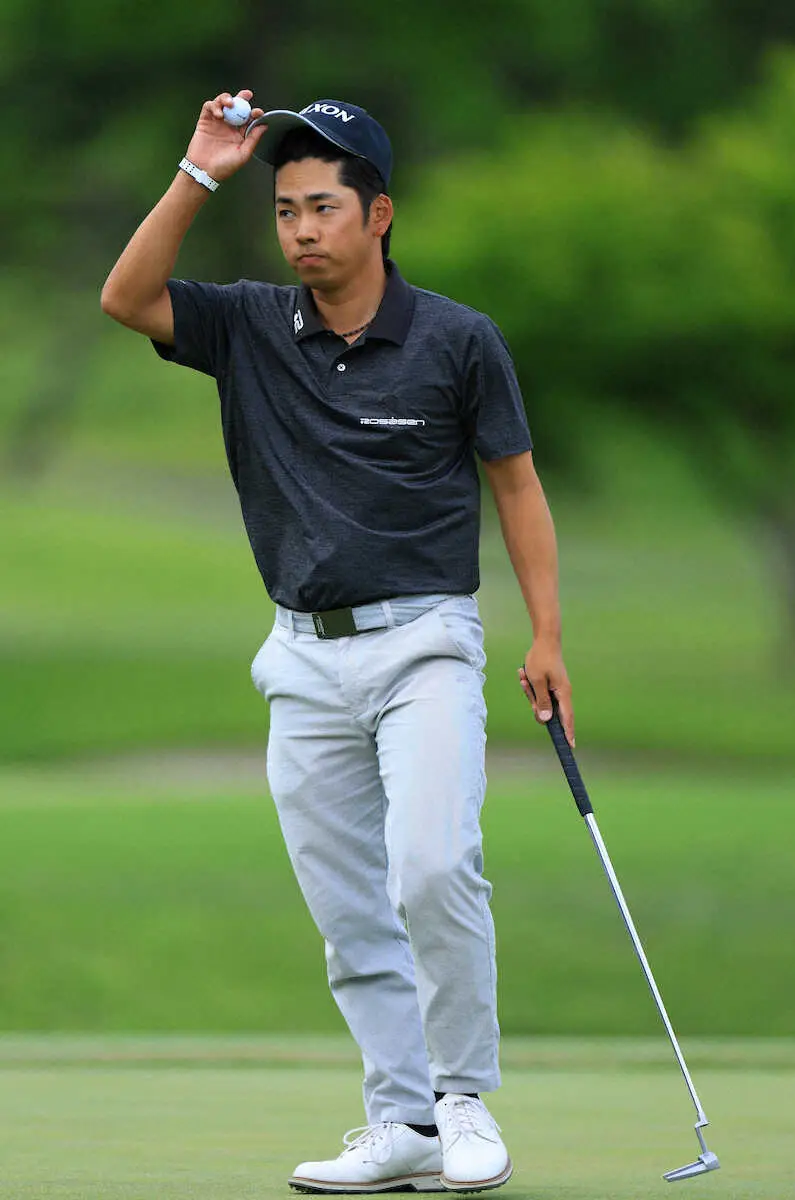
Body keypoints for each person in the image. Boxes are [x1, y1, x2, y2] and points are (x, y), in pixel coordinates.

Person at [101, 89, 574, 1194]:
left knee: (432, 867)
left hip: (426, 644)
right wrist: (202, 168)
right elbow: (125, 297)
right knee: (347, 905)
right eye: (284, 211)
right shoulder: (252, 325)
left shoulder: (458, 340)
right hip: (302, 657)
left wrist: (547, 632)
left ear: (379, 215)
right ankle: (400, 1120)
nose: (302, 230)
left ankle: (461, 1100)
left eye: (322, 207)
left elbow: (518, 486)